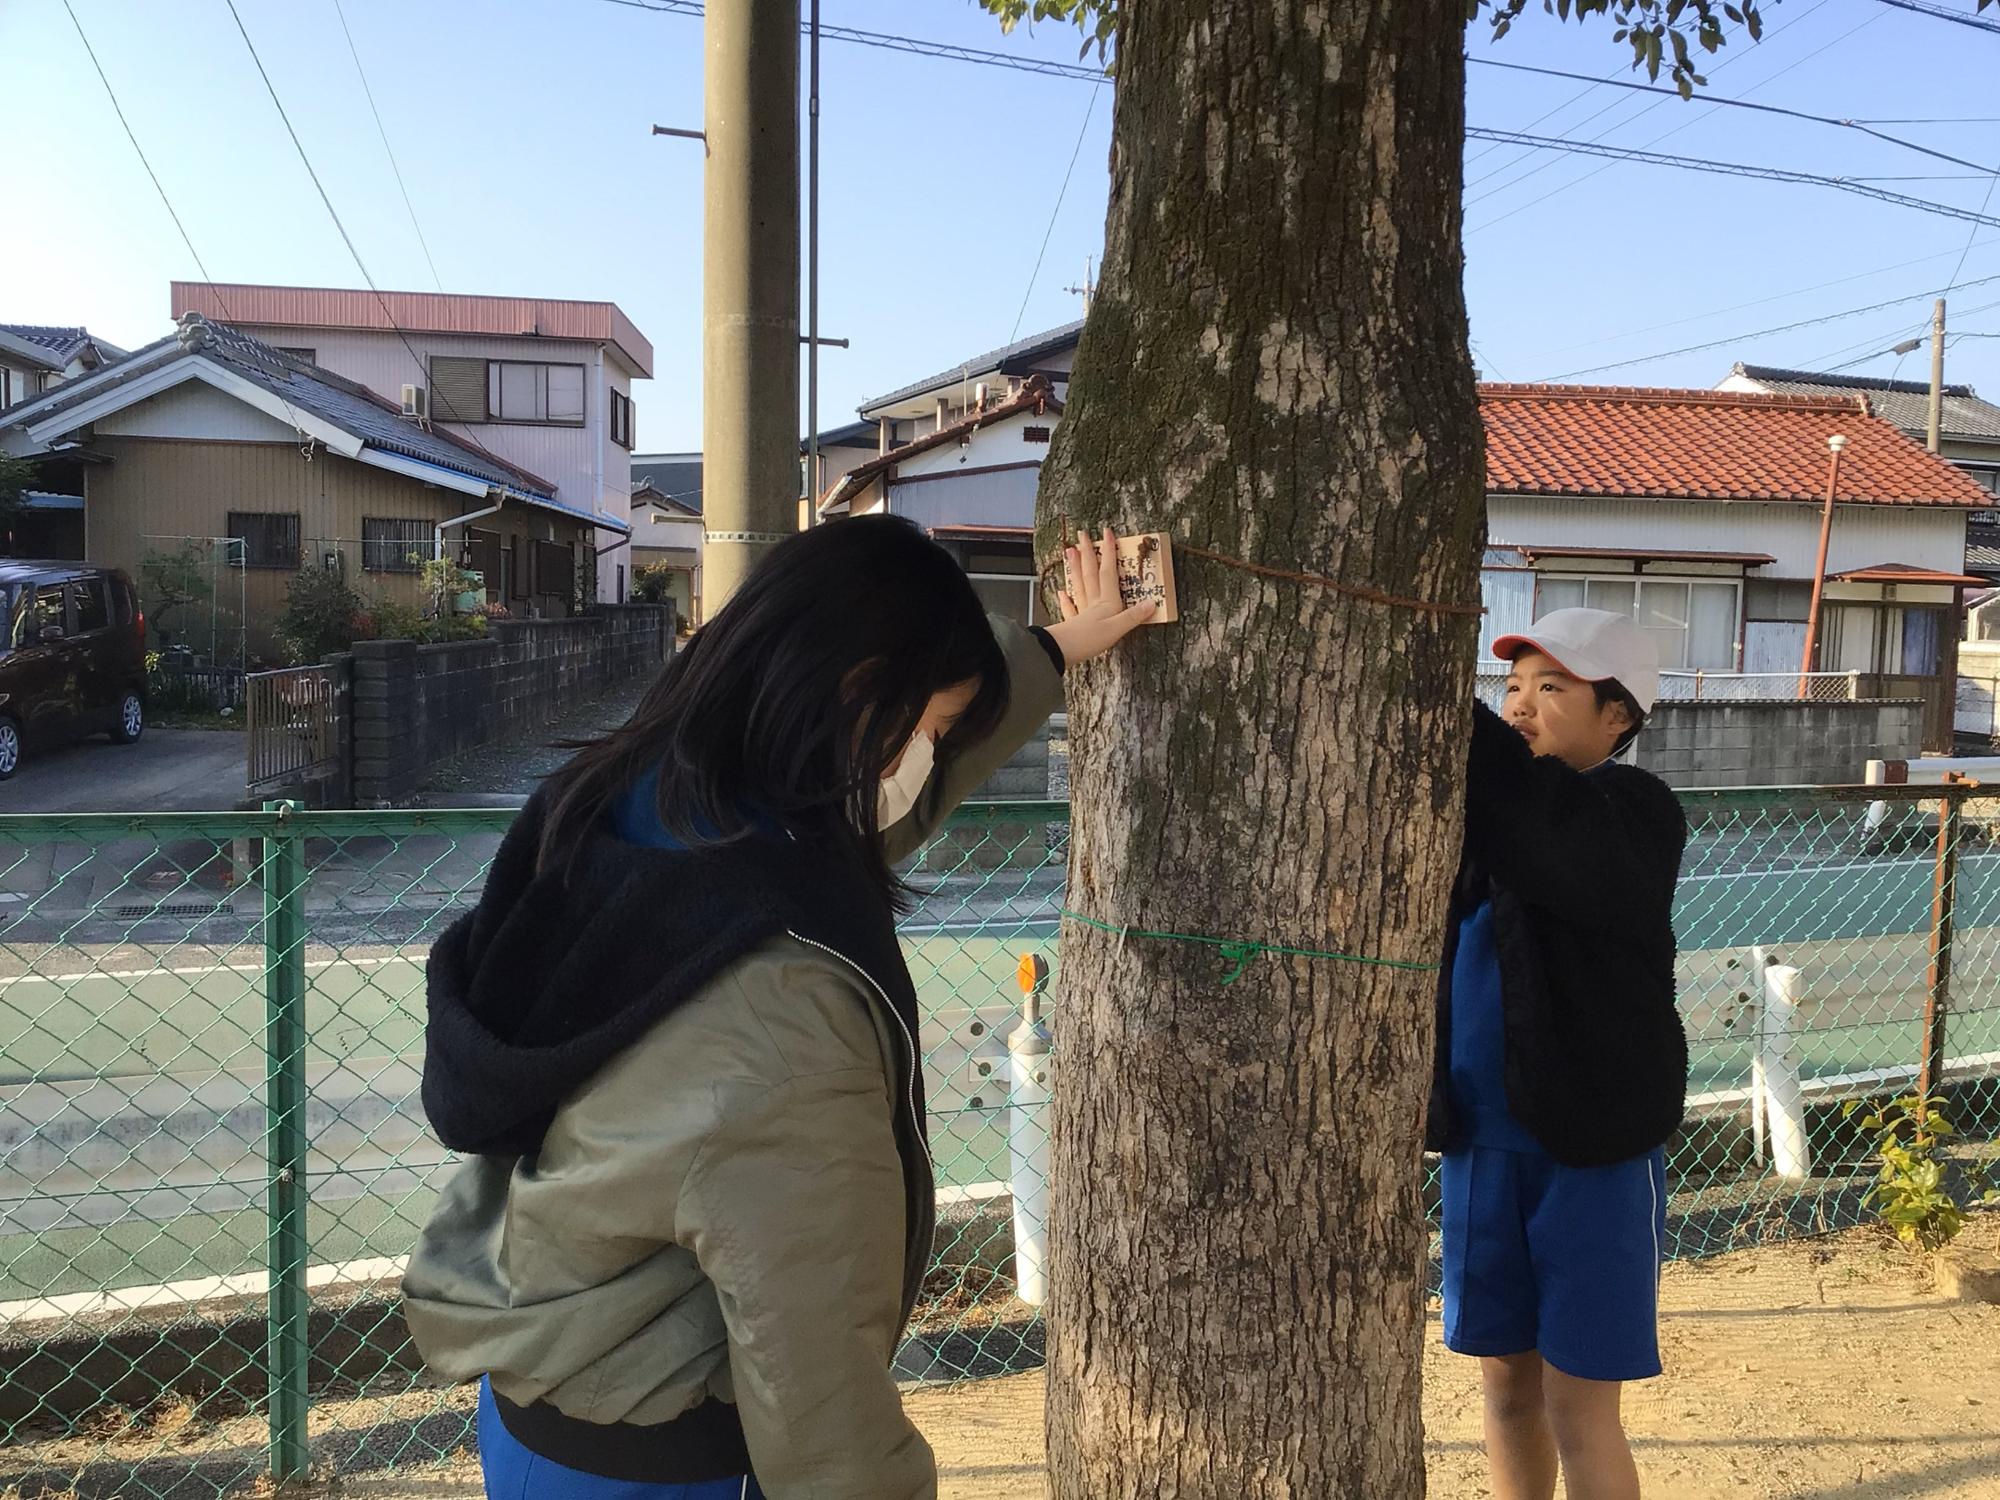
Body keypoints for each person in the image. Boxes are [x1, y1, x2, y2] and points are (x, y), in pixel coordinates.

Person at [403, 517, 1154, 1499]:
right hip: (676, 1459)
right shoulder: (783, 1002)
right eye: (929, 732)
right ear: (856, 698)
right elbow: (815, 1377)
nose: (932, 759)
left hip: (546, 1400)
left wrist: (1057, 649)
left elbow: (868, 822)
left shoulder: (630, 809)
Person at [1427, 608, 1689, 1500]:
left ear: (1618, 717)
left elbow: (1538, 820)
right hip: (1481, 1146)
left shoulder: (1633, 812)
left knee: (1580, 1401)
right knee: (1505, 1387)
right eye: (1510, 688)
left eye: (1552, 688)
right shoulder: (1483, 826)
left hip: (1592, 1150)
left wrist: (1429, 681)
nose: (1521, 707)